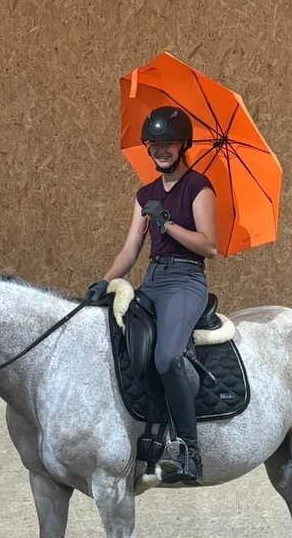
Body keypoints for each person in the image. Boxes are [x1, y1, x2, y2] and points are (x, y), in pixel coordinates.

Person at [86, 106, 218, 482]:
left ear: (183, 145)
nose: (160, 150)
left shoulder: (199, 187)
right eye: (154, 144)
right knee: (128, 347)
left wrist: (166, 222)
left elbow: (209, 245)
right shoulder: (145, 194)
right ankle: (153, 431)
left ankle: (191, 452)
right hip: (155, 280)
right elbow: (130, 251)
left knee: (167, 357)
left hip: (186, 281)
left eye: (168, 143)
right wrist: (105, 281)